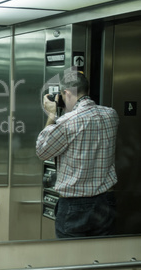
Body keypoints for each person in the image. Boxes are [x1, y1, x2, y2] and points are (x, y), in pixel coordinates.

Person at [36, 71, 119, 238]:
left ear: (66, 93)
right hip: (105, 202)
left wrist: (51, 115)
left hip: (74, 206)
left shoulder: (67, 122)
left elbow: (42, 151)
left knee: (71, 259)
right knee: (100, 259)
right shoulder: (111, 115)